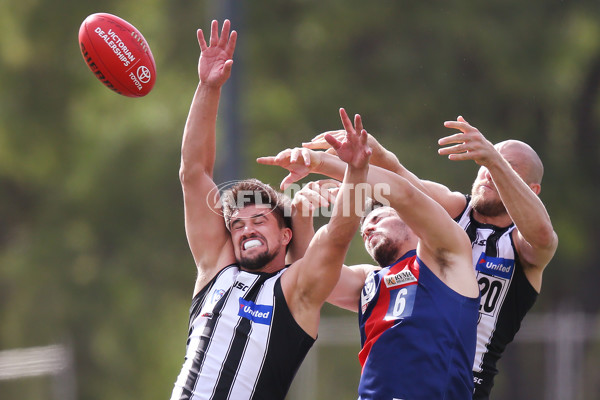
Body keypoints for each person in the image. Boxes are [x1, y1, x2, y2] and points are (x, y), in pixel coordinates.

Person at [169, 19, 372, 400]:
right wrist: (208, 87)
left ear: (286, 234)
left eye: (259, 220)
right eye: (238, 224)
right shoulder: (217, 270)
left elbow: (339, 234)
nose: (246, 229)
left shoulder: (296, 292)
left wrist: (356, 172)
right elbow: (193, 173)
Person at [302, 116, 559, 399]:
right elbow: (404, 185)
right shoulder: (455, 210)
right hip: (409, 374)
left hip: (465, 383)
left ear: (532, 190)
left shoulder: (521, 244)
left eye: (507, 167)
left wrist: (494, 160)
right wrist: (371, 155)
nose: (487, 171)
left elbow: (543, 236)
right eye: (484, 164)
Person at [258, 147, 480, 399]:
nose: (367, 227)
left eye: (379, 216)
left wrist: (327, 163)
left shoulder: (447, 258)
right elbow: (308, 275)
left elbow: (405, 194)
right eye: (363, 227)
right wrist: (301, 214)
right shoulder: (369, 280)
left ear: (412, 220)